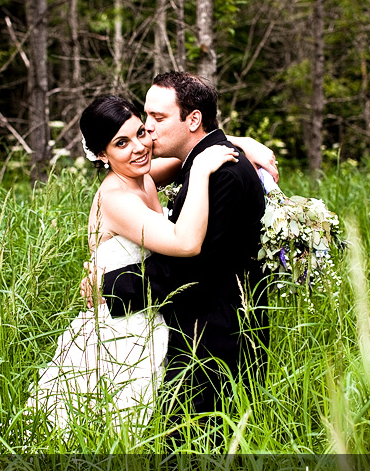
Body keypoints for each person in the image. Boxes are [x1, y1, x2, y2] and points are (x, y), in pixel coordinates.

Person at [26, 93, 274, 435]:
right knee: (114, 429)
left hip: (150, 318)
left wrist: (242, 142)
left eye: (141, 132)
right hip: (121, 329)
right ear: (101, 154)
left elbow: (193, 147)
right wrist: (201, 173)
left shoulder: (141, 175)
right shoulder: (115, 199)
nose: (139, 147)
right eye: (121, 143)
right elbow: (185, 243)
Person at [90, 72, 270, 440]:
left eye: (153, 122)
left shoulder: (216, 171)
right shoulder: (143, 180)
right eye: (144, 123)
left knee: (192, 455)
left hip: (216, 334)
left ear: (193, 120)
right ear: (102, 154)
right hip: (146, 328)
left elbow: (190, 258)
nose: (147, 137)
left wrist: (109, 285)